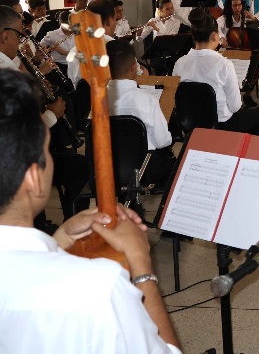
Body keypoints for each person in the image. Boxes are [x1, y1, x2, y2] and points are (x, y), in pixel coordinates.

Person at [0, 68, 182, 353]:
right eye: (47, 150)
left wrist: (57, 241)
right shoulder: (97, 288)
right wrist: (140, 267)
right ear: (34, 179)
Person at [173, 9, 259, 135]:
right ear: (214, 36)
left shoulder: (179, 63)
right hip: (221, 124)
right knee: (257, 116)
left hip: (191, 123)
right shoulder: (224, 64)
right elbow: (235, 107)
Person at [106, 40, 175, 185]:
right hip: (143, 167)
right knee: (171, 161)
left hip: (107, 166)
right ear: (133, 67)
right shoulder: (147, 100)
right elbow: (162, 141)